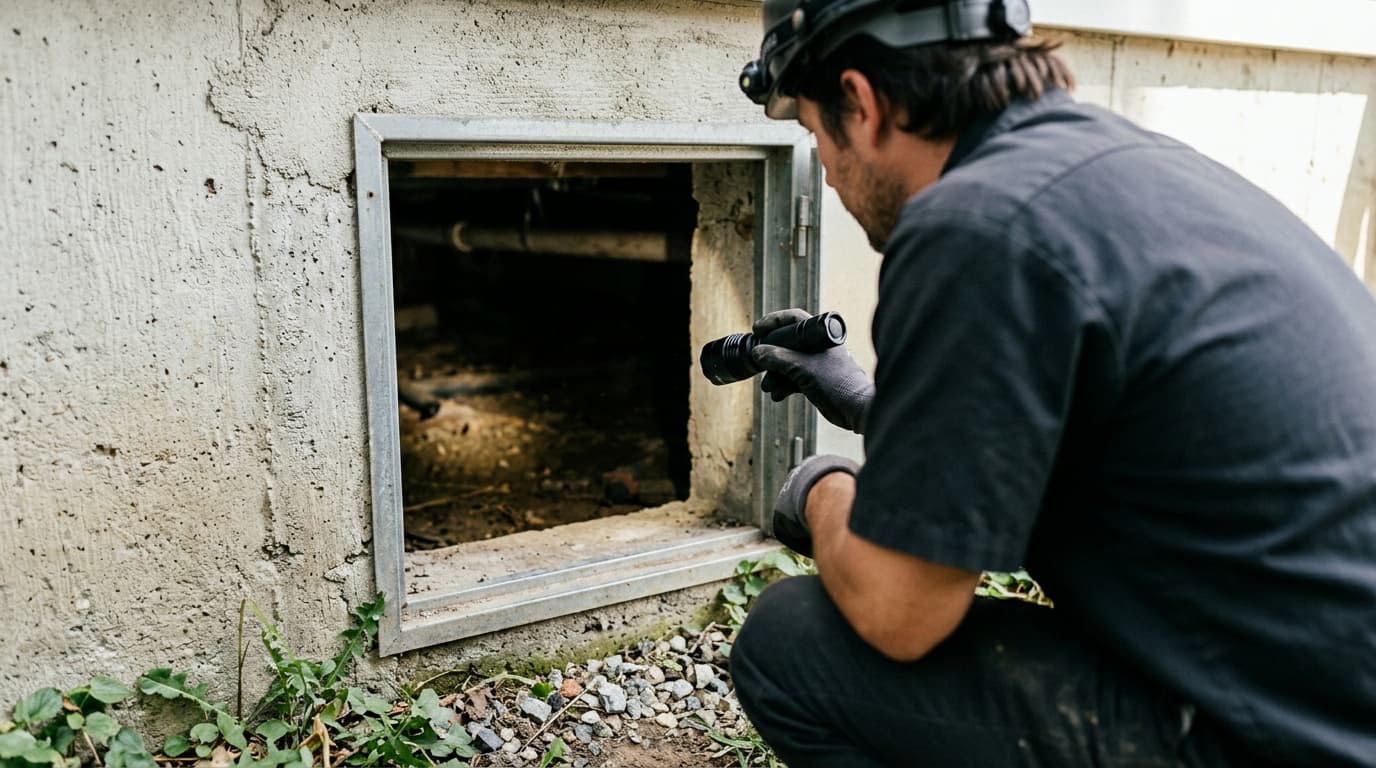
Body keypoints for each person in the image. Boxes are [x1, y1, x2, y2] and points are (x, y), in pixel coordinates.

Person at [725, 1, 1376, 766]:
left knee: (787, 644)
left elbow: (898, 611)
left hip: (1283, 739)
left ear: (861, 104)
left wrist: (822, 484)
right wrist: (879, 410)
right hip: (1329, 691)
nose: (826, 174)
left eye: (813, 134)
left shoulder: (974, 225)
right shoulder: (1123, 165)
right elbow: (1097, 430)